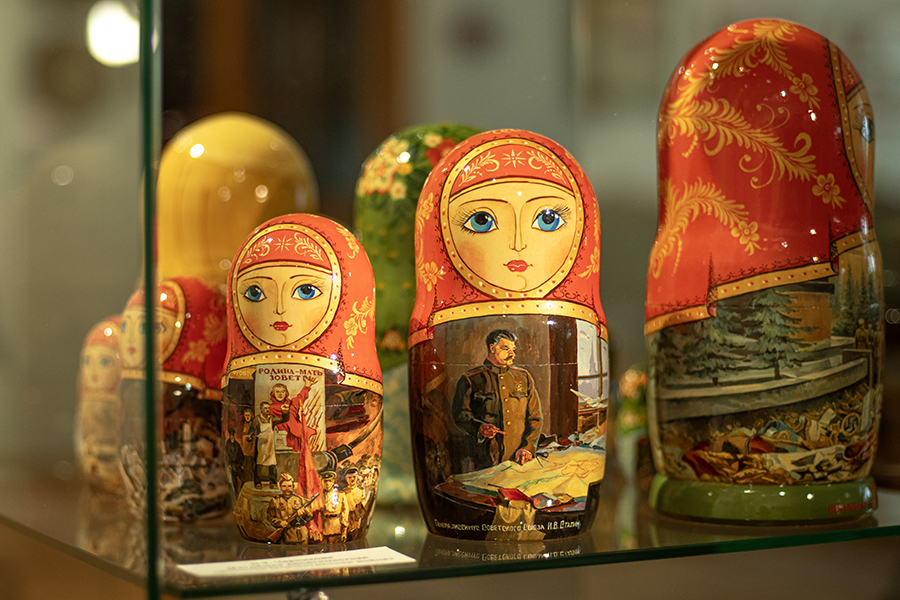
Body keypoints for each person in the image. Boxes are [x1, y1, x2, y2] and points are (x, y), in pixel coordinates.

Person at [452, 329, 543, 470]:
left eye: (513, 349)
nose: (512, 353)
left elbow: (535, 418)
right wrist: (479, 428)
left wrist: (528, 448)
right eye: (506, 348)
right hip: (484, 461)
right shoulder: (470, 379)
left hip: (519, 460)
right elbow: (460, 415)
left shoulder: (523, 377)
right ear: (492, 348)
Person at [266, 473, 315, 544]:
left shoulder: (300, 499)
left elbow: (310, 516)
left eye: (289, 486)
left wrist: (306, 513)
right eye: (284, 486)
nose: (287, 488)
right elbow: (270, 517)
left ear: (293, 486)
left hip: (301, 535)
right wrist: (280, 522)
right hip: (285, 536)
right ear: (280, 487)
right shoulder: (275, 501)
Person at [249, 400, 288, 488]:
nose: (267, 410)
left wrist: (284, 412)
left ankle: (273, 482)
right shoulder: (257, 419)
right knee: (259, 463)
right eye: (265, 408)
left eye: (268, 408)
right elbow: (252, 430)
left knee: (272, 463)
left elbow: (282, 419)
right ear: (261, 409)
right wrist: (250, 436)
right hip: (261, 445)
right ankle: (257, 482)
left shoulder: (271, 418)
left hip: (270, 445)